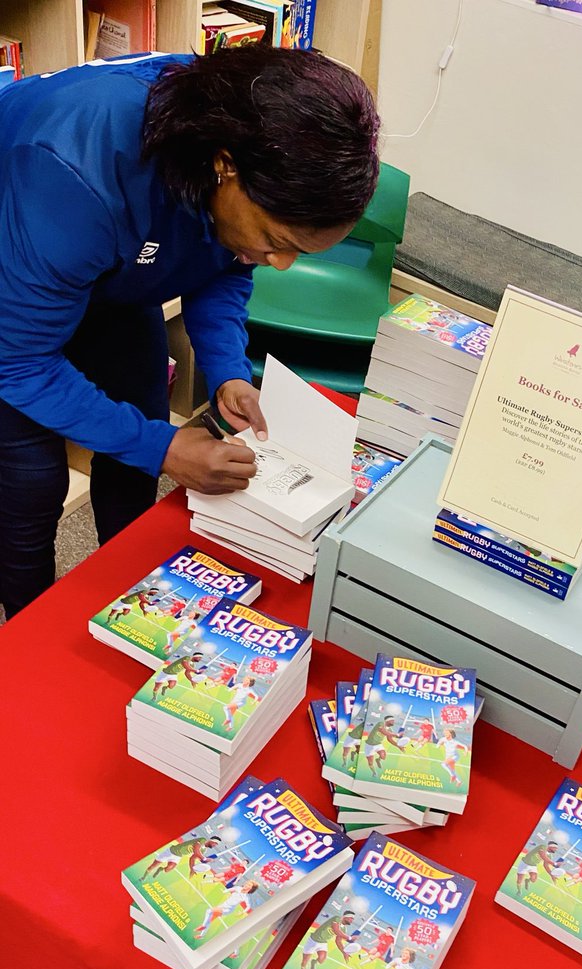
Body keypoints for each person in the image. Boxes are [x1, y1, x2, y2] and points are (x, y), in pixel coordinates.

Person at [0, 46, 380, 619]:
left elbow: (224, 263)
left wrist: (226, 366)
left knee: (138, 437)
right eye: (277, 241)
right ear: (225, 166)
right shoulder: (77, 166)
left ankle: (135, 603)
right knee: (30, 485)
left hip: (105, 264)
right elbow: (19, 363)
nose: (279, 265)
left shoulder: (249, 149)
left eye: (298, 253)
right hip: (22, 259)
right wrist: (166, 447)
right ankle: (30, 626)